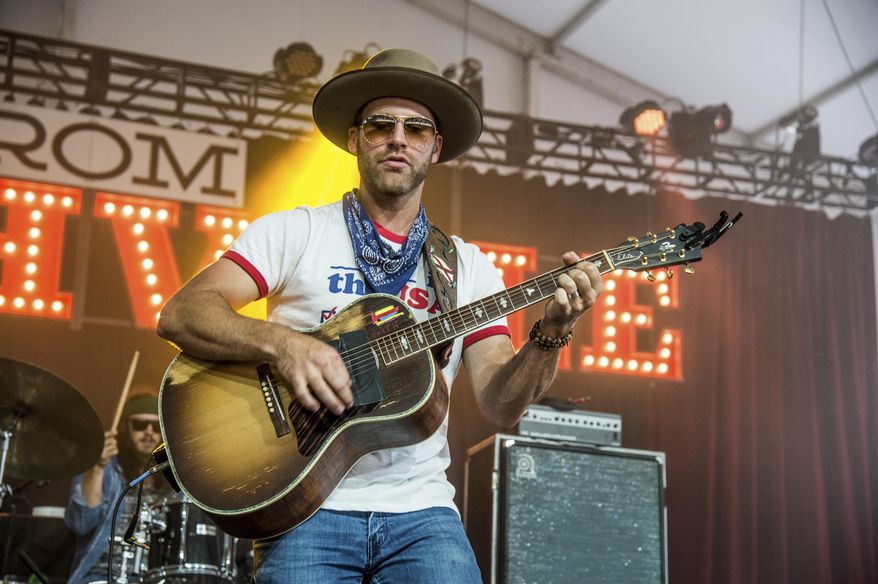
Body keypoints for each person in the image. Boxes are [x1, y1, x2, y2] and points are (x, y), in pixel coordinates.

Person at [156, 48, 603, 583]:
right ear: (354, 139)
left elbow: (500, 404)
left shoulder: (466, 266)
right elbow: (182, 314)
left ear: (435, 147)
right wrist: (285, 344)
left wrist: (551, 333)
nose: (398, 139)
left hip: (422, 511)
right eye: (380, 125)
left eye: (416, 129)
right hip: (304, 504)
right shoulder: (296, 231)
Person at [64, 393, 164, 584]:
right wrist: (97, 467)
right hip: (101, 575)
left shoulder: (172, 479)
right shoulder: (105, 468)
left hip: (154, 578)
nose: (149, 432)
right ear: (125, 428)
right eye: (140, 425)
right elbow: (81, 523)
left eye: (156, 426)